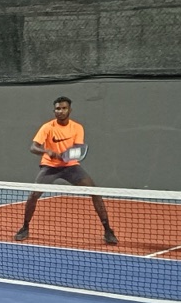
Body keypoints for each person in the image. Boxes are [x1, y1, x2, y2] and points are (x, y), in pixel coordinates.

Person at [12, 96, 117, 245]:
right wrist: (47, 151)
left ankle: (108, 230)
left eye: (63, 108)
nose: (60, 111)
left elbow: (78, 150)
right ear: (54, 111)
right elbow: (33, 147)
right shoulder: (47, 127)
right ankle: (25, 227)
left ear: (70, 110)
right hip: (50, 167)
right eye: (57, 109)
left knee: (95, 192)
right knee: (33, 195)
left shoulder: (77, 127)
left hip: (70, 167)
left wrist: (66, 157)